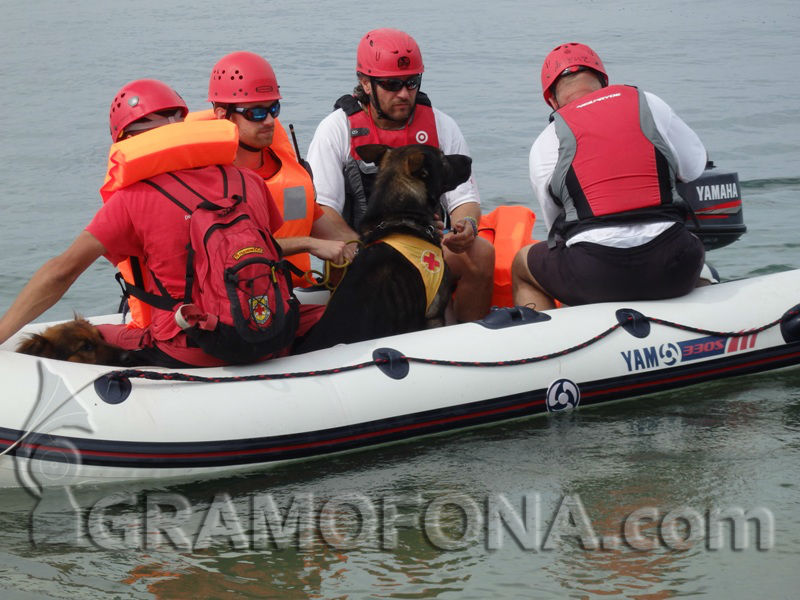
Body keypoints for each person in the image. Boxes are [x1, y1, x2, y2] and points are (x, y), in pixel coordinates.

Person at [0, 79, 322, 367]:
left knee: (86, 334)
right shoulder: (247, 180)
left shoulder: (132, 200)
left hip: (188, 347)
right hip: (268, 331)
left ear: (125, 141)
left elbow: (61, 272)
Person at [306, 28, 495, 322]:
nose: (404, 93)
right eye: (392, 84)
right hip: (362, 252)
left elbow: (465, 200)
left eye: (411, 82)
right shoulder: (336, 129)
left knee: (480, 253)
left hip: (427, 248)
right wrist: (364, 248)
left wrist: (466, 226)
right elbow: (321, 210)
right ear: (366, 84)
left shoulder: (441, 126)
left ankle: (466, 343)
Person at [512, 42, 707, 310]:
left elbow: (556, 225)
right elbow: (694, 167)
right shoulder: (650, 103)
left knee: (522, 264)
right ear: (604, 82)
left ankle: (546, 344)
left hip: (595, 275)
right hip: (675, 265)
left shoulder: (546, 141)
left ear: (552, 101)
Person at [207, 51, 355, 287]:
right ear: (223, 116)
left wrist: (387, 245)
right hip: (242, 306)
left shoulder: (290, 174)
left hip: (295, 296)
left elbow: (331, 234)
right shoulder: (208, 182)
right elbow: (238, 250)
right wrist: (309, 244)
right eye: (255, 112)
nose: (268, 121)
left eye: (273, 109)